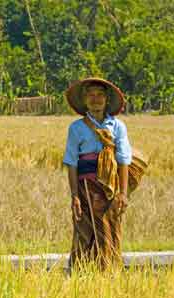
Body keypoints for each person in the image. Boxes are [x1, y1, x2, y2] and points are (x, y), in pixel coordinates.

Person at [63, 78, 132, 270]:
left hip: (109, 189)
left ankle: (108, 274)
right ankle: (79, 275)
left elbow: (123, 160)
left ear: (107, 99)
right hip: (85, 188)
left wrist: (123, 194)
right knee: (84, 232)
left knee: (110, 230)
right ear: (85, 100)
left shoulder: (117, 127)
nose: (96, 99)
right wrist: (75, 195)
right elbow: (71, 162)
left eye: (100, 95)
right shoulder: (77, 128)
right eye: (91, 95)